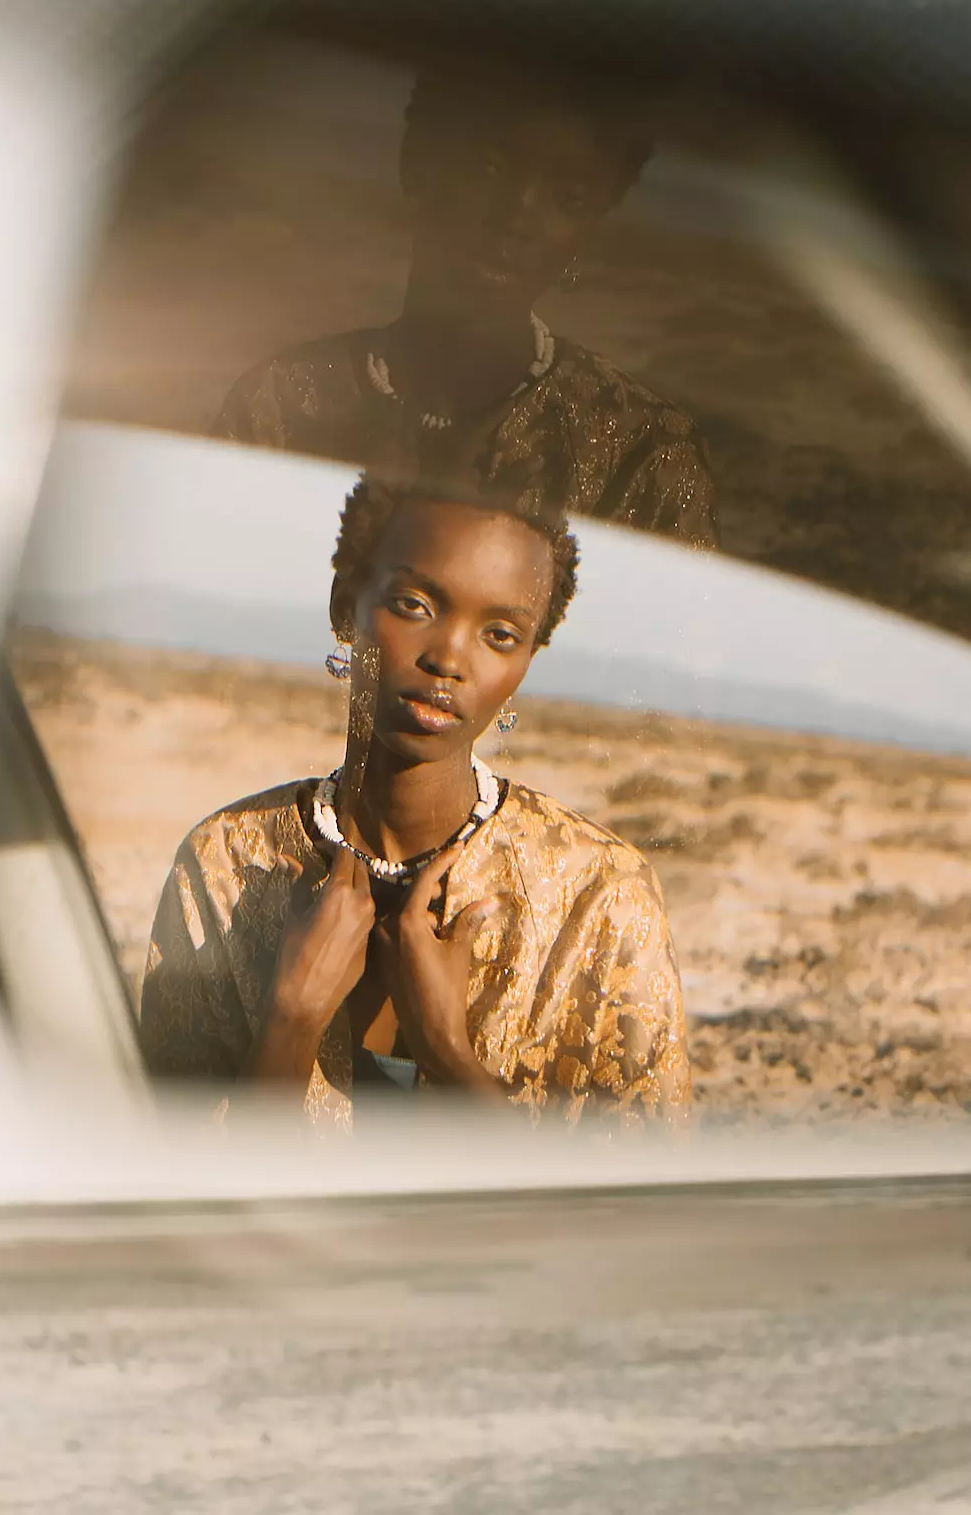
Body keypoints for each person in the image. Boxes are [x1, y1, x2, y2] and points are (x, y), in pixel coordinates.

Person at [138, 467, 691, 1131]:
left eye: (500, 635)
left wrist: (447, 1053)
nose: (449, 660)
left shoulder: (602, 899)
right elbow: (173, 1184)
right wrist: (292, 1019)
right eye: (414, 605)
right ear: (347, 604)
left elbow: (638, 1217)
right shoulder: (225, 863)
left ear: (527, 662)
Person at [213, 55, 719, 548]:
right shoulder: (282, 404)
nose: (517, 216)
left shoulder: (642, 455)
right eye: (491, 166)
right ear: (418, 160)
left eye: (569, 198)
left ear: (588, 230)